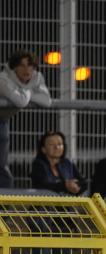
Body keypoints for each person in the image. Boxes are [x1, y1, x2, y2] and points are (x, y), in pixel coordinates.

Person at [0, 50, 51, 188]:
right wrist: (30, 91)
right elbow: (21, 101)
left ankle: (4, 204)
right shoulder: (4, 78)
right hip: (2, 120)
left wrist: (25, 92)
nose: (26, 69)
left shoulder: (36, 77)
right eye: (21, 65)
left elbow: (46, 100)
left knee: (1, 165)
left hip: (2, 120)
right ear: (14, 67)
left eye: (30, 65)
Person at [30, 130, 86, 195]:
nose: (57, 147)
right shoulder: (38, 164)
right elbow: (42, 185)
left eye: (60, 144)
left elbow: (83, 183)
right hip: (45, 203)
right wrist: (65, 185)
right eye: (51, 144)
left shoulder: (67, 163)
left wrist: (76, 186)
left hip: (67, 204)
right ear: (43, 149)